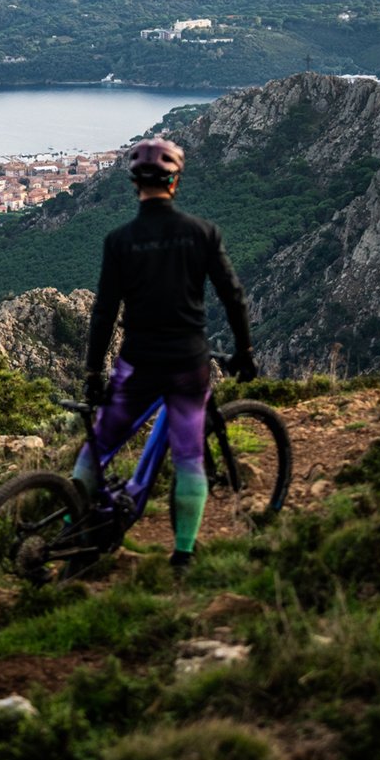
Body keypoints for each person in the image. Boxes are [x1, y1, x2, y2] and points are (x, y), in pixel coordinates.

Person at [76, 136, 255, 573]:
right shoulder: (202, 234)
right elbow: (233, 297)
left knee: (94, 450)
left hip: (137, 363)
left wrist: (93, 372)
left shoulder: (120, 241)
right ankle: (182, 556)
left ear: (135, 183)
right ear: (174, 181)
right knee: (189, 457)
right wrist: (245, 350)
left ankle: (72, 524)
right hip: (187, 363)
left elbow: (103, 313)